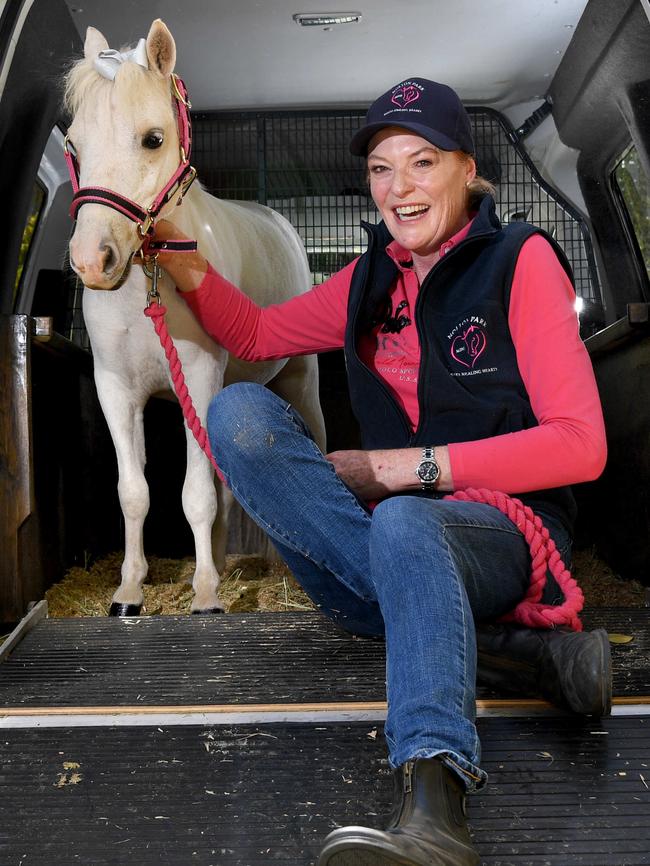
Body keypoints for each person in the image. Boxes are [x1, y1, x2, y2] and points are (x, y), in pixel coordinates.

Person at [149, 78, 610, 866]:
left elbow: (580, 445)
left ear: (469, 170)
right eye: (381, 170)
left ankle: (436, 814)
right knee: (236, 415)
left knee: (399, 519)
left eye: (422, 163)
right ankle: (519, 654)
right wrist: (179, 261)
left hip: (502, 534)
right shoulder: (370, 280)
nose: (399, 189)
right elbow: (257, 334)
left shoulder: (521, 260)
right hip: (394, 555)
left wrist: (404, 469)